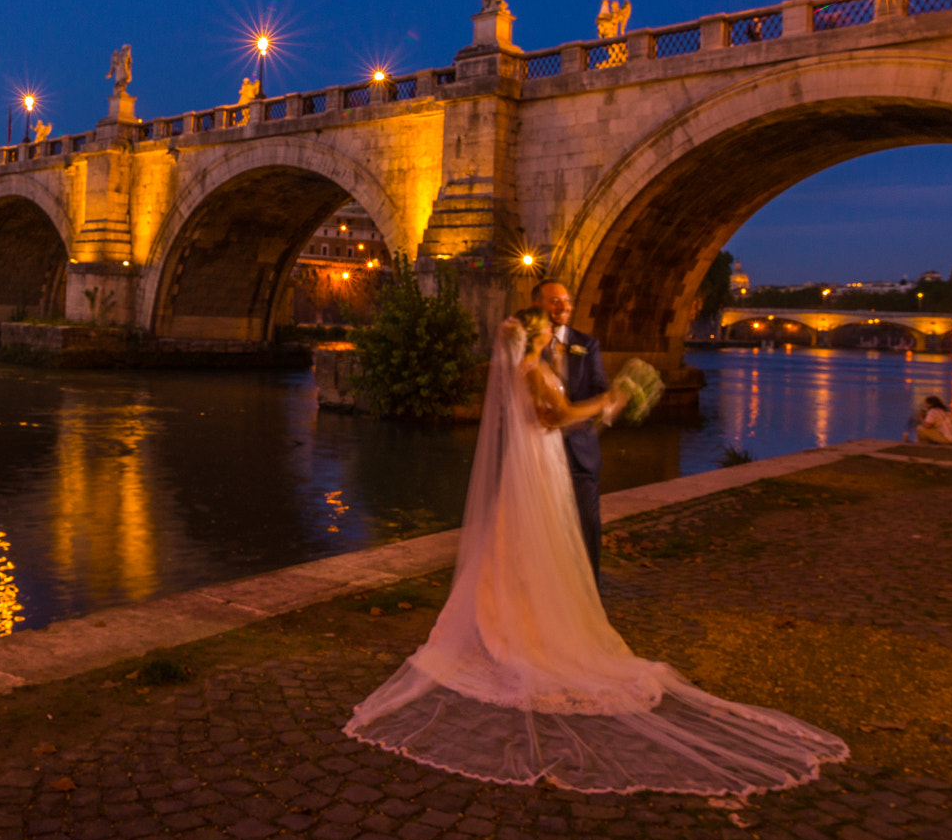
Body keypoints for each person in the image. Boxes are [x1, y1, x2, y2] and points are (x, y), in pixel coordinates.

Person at [345, 310, 849, 794]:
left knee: (512, 549)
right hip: (540, 468)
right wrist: (611, 399)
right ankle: (528, 630)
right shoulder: (535, 371)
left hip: (531, 468)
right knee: (537, 548)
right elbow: (558, 417)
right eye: (547, 330)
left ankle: (502, 621)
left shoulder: (526, 369)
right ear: (538, 337)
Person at [533, 280, 608, 579]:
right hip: (538, 454)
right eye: (555, 301)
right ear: (537, 304)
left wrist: (604, 405)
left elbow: (600, 391)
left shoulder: (587, 345)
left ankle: (591, 596)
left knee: (588, 529)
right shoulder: (527, 347)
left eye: (566, 301)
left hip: (580, 455)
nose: (563, 307)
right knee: (542, 532)